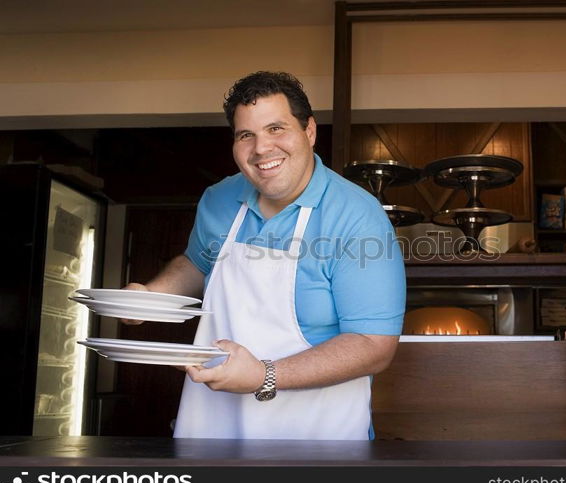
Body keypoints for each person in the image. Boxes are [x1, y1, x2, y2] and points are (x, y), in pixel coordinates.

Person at [124, 71, 406, 440]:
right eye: (246, 135)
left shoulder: (357, 216)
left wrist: (264, 375)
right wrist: (152, 298)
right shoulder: (219, 199)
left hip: (320, 442)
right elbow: (197, 263)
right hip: (213, 431)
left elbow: (373, 346)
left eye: (276, 128)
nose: (261, 149)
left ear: (309, 131)